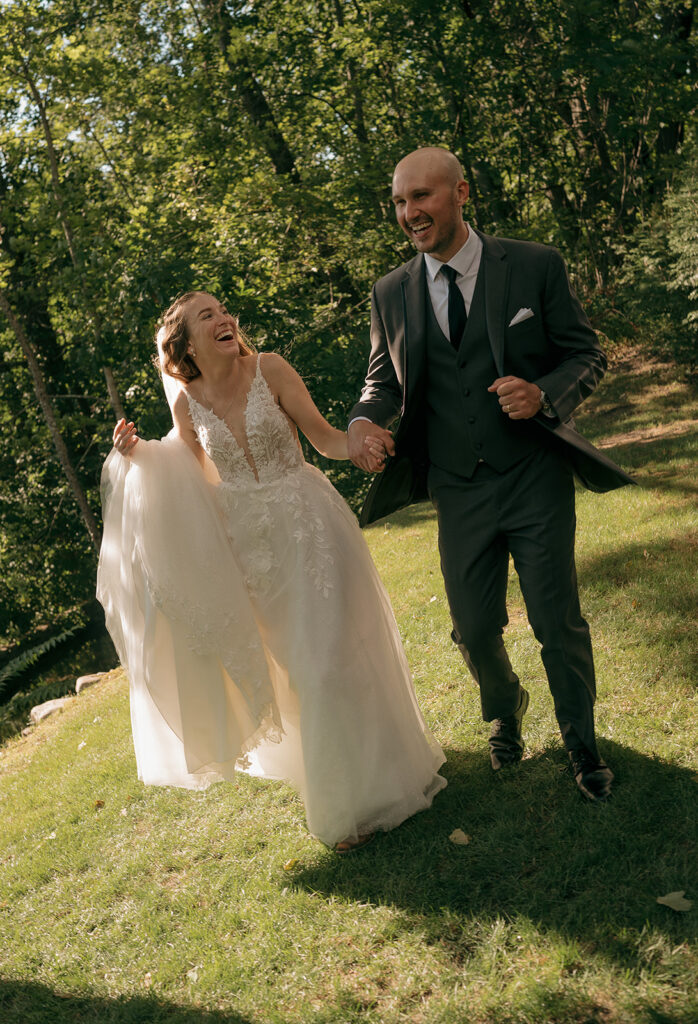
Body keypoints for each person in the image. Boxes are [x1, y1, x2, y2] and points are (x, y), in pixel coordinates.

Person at [97, 291, 446, 852]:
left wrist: (357, 444)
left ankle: (354, 806)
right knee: (301, 677)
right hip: (252, 553)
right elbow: (186, 472)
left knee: (331, 662)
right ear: (185, 343)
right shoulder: (186, 403)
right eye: (206, 315)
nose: (224, 318)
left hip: (310, 526)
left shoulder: (270, 368)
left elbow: (324, 437)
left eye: (223, 310)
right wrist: (135, 455)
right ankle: (357, 782)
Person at [348, 147, 635, 803]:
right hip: (457, 486)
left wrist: (544, 395)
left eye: (422, 196)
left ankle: (581, 743)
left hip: (531, 474)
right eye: (399, 201)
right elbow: (379, 381)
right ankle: (505, 706)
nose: (409, 213)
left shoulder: (532, 265)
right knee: (473, 629)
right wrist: (365, 423)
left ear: (461, 192)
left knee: (555, 620)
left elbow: (584, 355)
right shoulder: (391, 292)